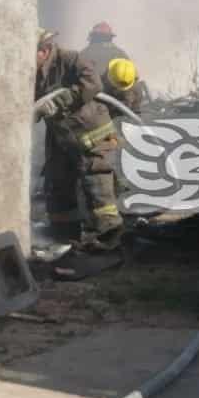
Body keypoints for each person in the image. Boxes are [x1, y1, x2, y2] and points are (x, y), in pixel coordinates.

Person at [35, 28, 124, 249]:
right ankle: (65, 237)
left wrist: (65, 98)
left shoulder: (72, 59)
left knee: (97, 184)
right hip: (61, 137)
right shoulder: (33, 72)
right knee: (57, 182)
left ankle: (109, 238)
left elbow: (93, 84)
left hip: (90, 134)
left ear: (44, 50)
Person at [80, 21, 147, 115]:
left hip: (96, 107)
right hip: (124, 106)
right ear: (110, 37)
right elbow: (134, 78)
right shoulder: (120, 53)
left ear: (93, 37)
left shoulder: (83, 54)